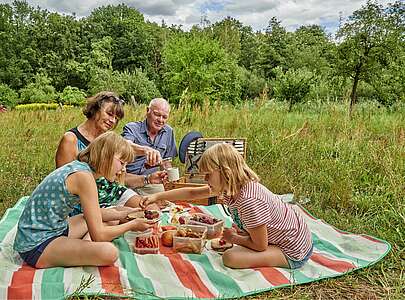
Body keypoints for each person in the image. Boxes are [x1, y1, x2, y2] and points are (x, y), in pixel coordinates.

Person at [142, 143, 313, 269]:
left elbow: (261, 246)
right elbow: (192, 193)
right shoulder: (231, 187)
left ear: (225, 171)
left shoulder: (249, 200)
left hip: (292, 250)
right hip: (282, 236)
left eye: (208, 175)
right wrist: (157, 196)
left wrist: (235, 239)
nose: (206, 180)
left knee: (230, 258)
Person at [13, 132, 156, 268]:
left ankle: (81, 245)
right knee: (110, 252)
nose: (123, 170)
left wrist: (124, 215)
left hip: (53, 228)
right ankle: (82, 247)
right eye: (122, 162)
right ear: (106, 155)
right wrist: (132, 225)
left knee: (114, 214)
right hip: (35, 244)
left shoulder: (82, 169)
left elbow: (94, 214)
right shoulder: (84, 177)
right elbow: (99, 236)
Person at [54, 91, 165, 212]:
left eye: (116, 118)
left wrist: (148, 179)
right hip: (83, 202)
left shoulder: (108, 140)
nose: (112, 121)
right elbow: (63, 186)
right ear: (95, 109)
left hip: (111, 192)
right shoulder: (71, 140)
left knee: (151, 209)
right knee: (122, 219)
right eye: (109, 114)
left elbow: (118, 177)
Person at [122, 98, 177, 195]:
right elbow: (124, 145)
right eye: (157, 114)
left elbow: (167, 161)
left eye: (164, 117)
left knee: (167, 204)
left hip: (151, 182)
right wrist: (145, 150)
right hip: (128, 180)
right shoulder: (132, 128)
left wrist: (169, 177)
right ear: (148, 111)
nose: (160, 120)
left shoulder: (168, 132)